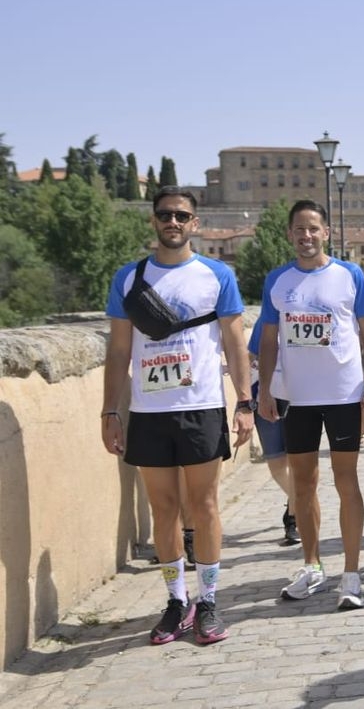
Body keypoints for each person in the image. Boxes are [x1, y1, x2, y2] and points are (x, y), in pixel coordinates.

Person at [101, 186, 254, 645]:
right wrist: (110, 411)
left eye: (181, 216)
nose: (173, 222)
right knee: (163, 508)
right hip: (149, 409)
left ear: (195, 224)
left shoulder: (216, 275)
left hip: (201, 405)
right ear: (154, 221)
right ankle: (176, 601)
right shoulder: (128, 279)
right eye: (165, 215)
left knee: (204, 506)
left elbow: (234, 342)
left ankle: (207, 601)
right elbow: (120, 350)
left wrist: (243, 401)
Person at [257, 199, 364, 611]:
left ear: (326, 233)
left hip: (343, 393)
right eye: (299, 229)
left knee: (346, 481)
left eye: (314, 228)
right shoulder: (278, 280)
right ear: (289, 234)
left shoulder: (348, 275)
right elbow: (269, 338)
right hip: (299, 397)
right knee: (304, 483)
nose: (306, 235)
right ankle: (312, 566)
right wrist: (264, 391)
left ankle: (350, 574)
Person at [248, 316, 300, 546]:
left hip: (301, 398)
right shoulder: (265, 322)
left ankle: (294, 516)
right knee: (277, 464)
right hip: (266, 397)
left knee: (299, 464)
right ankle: (300, 499)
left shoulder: (304, 315)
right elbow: (251, 357)